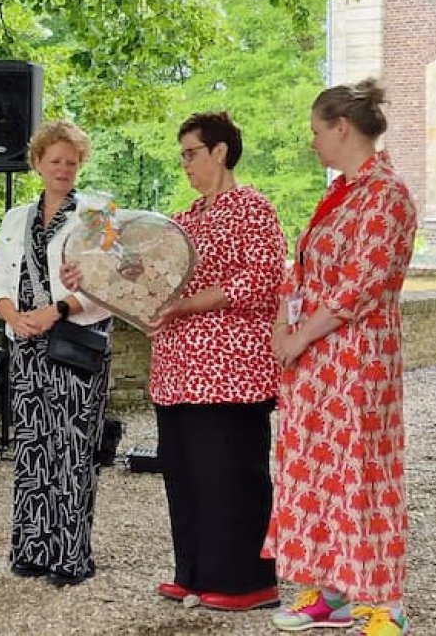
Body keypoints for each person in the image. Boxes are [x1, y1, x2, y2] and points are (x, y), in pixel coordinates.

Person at [266, 80, 416, 636]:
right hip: (315, 363)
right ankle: (328, 592)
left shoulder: (387, 194)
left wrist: (299, 336)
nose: (312, 143)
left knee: (364, 473)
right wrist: (285, 327)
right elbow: (301, 272)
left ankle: (382, 601)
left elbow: (360, 287)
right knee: (315, 475)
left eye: (315, 132)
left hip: (357, 361)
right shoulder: (341, 194)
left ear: (341, 128)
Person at [137, 112, 287, 610]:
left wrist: (187, 304)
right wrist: (95, 272)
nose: (184, 164)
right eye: (181, 155)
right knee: (184, 471)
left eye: (191, 153)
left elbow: (262, 281)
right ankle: (195, 573)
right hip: (178, 371)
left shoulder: (253, 208)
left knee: (230, 474)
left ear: (219, 152)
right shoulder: (181, 221)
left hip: (231, 370)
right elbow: (151, 282)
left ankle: (248, 581)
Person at [0, 119, 112, 587]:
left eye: (72, 162)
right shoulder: (16, 218)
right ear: (37, 163)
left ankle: (71, 557)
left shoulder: (98, 213)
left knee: (73, 451)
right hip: (28, 346)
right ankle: (32, 549)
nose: (63, 169)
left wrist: (57, 309)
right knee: (33, 448)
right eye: (55, 161)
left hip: (75, 342)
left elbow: (113, 282)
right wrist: (14, 316)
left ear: (81, 165)